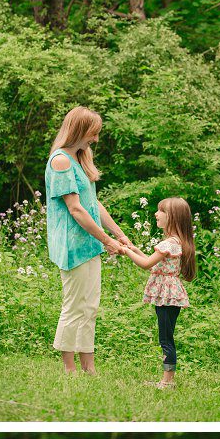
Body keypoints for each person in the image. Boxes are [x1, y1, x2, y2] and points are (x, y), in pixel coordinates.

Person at [44, 106, 138, 375]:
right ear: (78, 130)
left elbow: (93, 204)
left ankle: (89, 367)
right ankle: (69, 368)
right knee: (73, 307)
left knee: (90, 307)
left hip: (90, 244)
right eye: (92, 134)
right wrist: (108, 241)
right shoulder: (60, 161)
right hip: (73, 246)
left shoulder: (80, 160)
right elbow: (75, 209)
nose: (95, 139)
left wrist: (120, 235)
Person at [122, 198, 198, 389]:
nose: (156, 214)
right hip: (170, 293)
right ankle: (166, 379)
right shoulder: (176, 242)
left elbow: (146, 264)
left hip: (166, 296)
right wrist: (134, 249)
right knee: (167, 337)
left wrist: (124, 251)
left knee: (166, 339)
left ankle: (167, 382)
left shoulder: (168, 244)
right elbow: (153, 264)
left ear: (172, 217)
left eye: (160, 211)